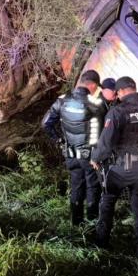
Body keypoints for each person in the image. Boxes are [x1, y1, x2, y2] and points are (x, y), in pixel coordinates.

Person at [90, 76, 138, 257]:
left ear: (121, 92)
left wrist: (95, 158)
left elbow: (106, 142)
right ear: (134, 88)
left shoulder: (117, 112)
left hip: (121, 168)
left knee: (107, 202)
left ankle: (101, 243)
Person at [42, 70, 104, 225]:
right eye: (96, 87)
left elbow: (45, 124)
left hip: (70, 153)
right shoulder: (95, 104)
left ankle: (76, 222)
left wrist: (59, 140)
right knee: (92, 186)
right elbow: (103, 133)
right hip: (89, 155)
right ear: (92, 84)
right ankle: (91, 221)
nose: (96, 90)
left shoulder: (62, 100)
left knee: (76, 184)